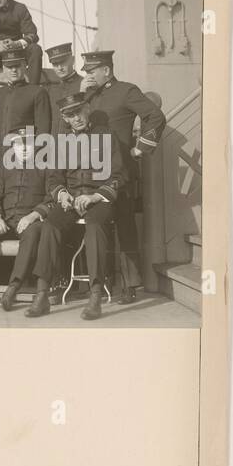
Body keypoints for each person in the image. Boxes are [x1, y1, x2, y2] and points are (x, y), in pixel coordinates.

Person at [30, 89, 128, 320]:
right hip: (72, 200)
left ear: (87, 109)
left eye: (79, 112)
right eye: (70, 115)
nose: (77, 118)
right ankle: (42, 294)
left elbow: (120, 175)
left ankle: (95, 296)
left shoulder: (107, 136)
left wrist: (95, 196)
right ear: (64, 118)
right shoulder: (60, 142)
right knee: (50, 226)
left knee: (95, 225)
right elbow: (53, 179)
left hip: (99, 199)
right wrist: (62, 194)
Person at [80, 49, 165, 305]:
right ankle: (100, 281)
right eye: (86, 71)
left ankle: (130, 285)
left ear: (106, 70)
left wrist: (141, 147)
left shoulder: (126, 90)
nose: (89, 75)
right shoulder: (89, 96)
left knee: (125, 226)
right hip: (92, 174)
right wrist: (82, 92)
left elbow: (155, 116)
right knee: (98, 224)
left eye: (92, 70)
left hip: (121, 172)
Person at [0, 126, 55, 310]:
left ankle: (13, 288)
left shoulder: (46, 168)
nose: (23, 148)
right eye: (18, 145)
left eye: (28, 144)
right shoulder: (6, 169)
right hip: (6, 221)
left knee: (32, 234)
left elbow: (52, 199)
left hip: (30, 222)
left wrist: (32, 216)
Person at [0, 51, 52, 178]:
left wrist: (36, 157)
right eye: (9, 67)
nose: (13, 70)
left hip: (25, 158)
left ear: (25, 65)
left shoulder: (37, 93)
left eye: (17, 66)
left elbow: (43, 129)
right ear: (3, 68)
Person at [43, 42, 84, 134]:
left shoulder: (84, 85)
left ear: (73, 60)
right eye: (55, 64)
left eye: (63, 62)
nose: (59, 68)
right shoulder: (50, 89)